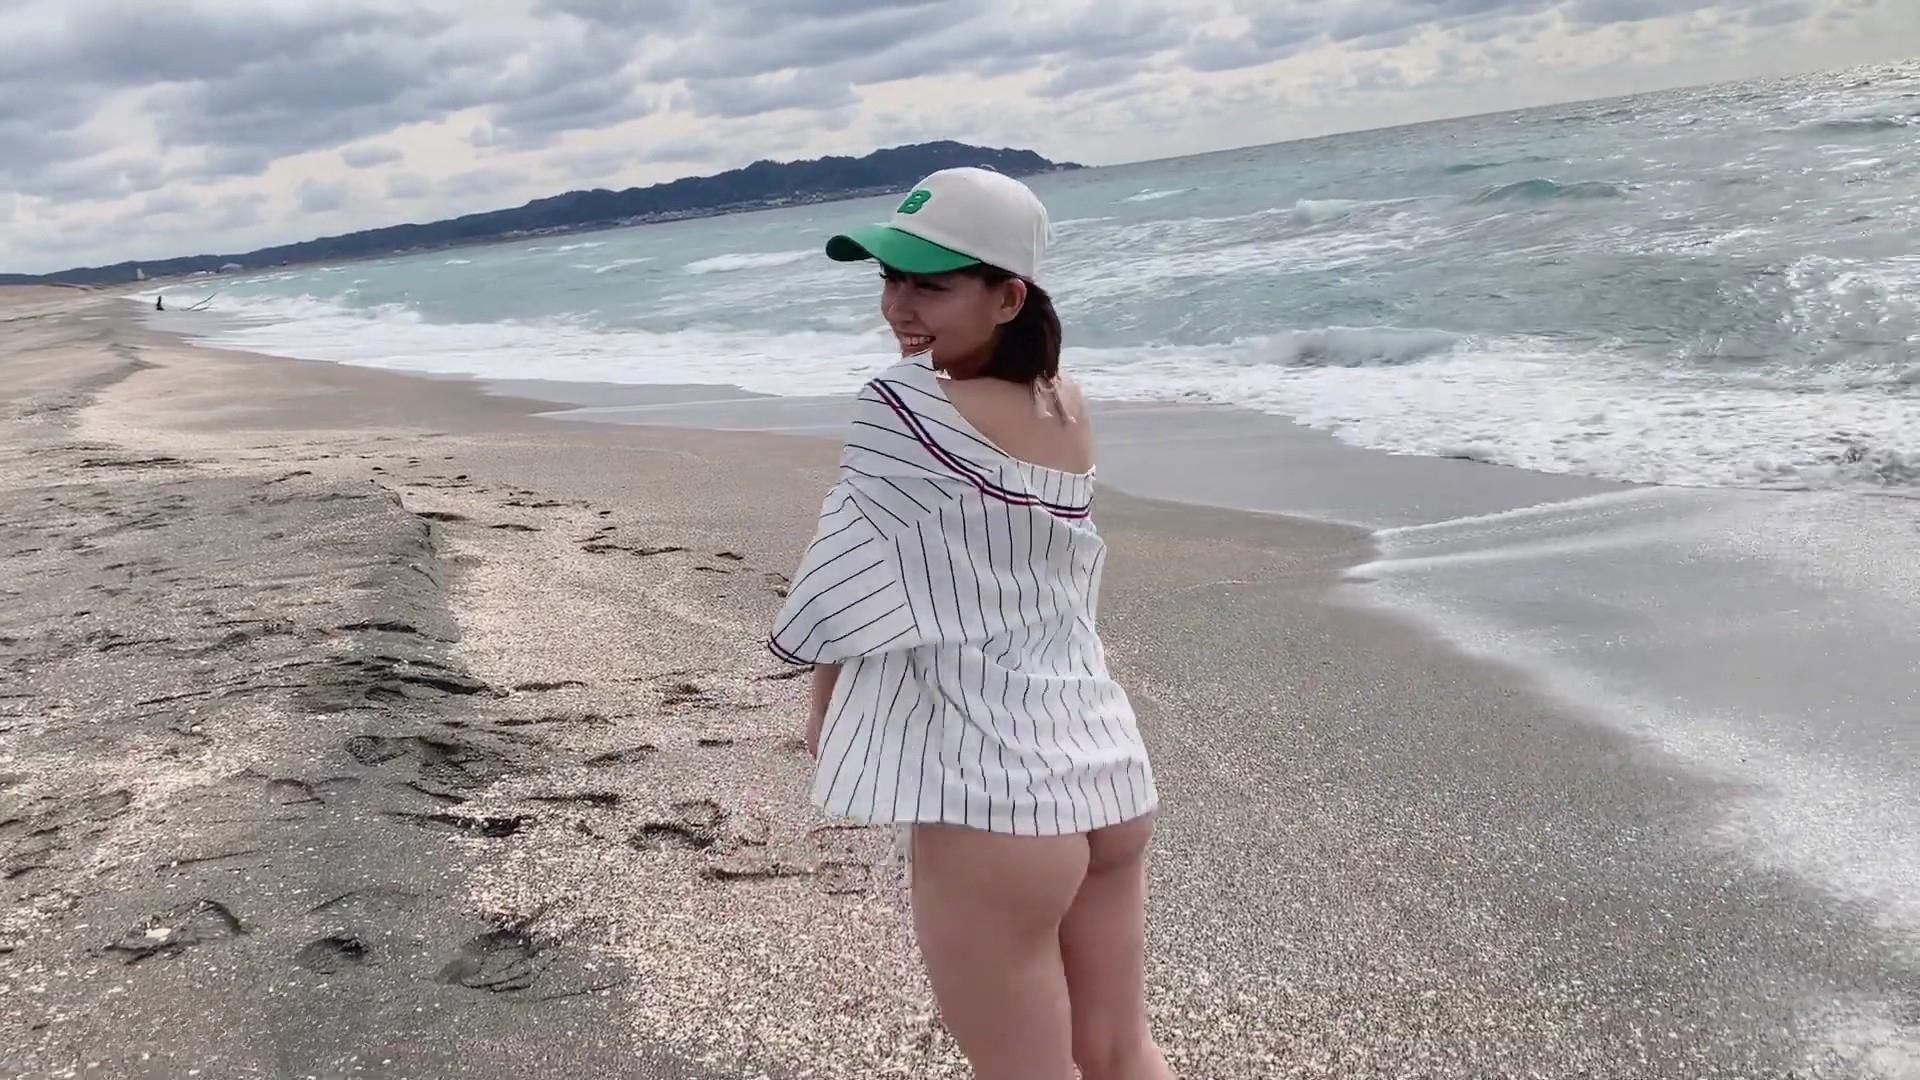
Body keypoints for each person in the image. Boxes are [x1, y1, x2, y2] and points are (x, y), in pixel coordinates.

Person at [768, 168, 1174, 1080]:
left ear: (1008, 296)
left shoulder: (903, 404)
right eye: (890, 278)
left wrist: (823, 709)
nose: (899, 307)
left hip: (989, 785)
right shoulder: (1068, 403)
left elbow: (844, 584)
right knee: (1121, 1052)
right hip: (1105, 762)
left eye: (931, 285)